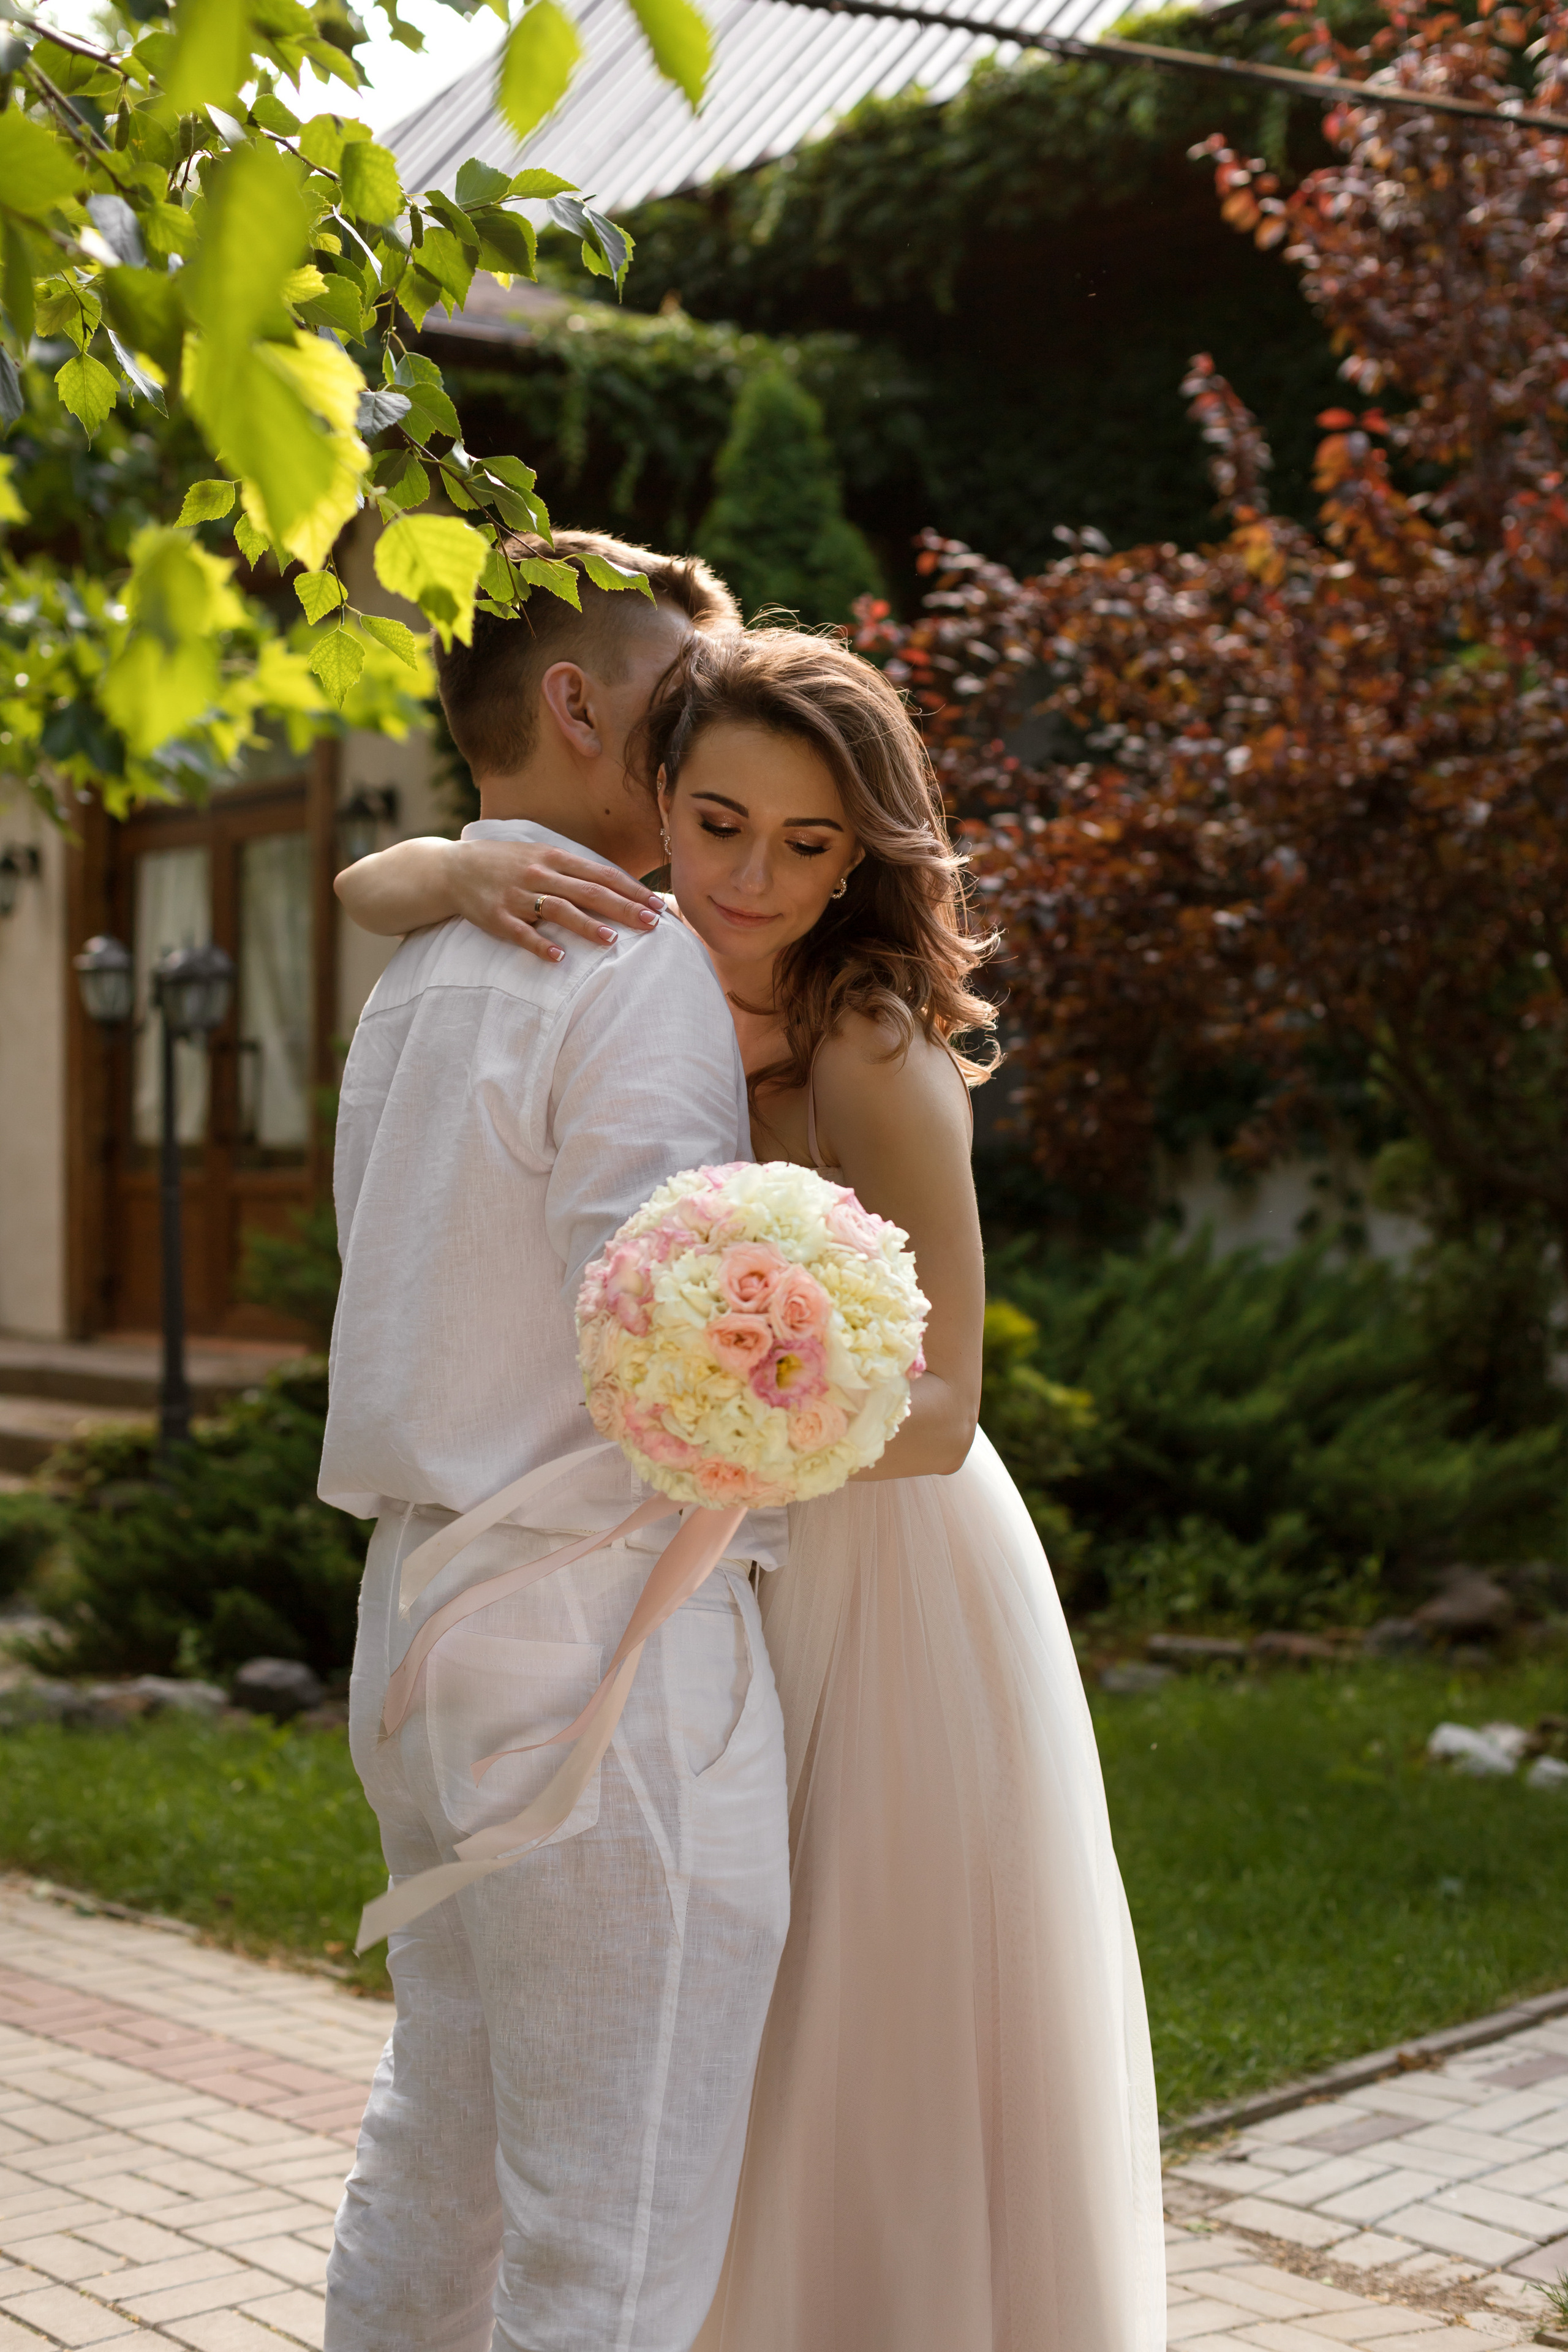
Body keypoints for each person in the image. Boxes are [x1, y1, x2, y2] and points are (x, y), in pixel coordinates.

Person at [337, 624, 1168, 2350]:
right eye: (717, 825)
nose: (752, 879)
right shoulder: (606, 949)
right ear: (658, 791)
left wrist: (748, 1410)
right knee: (669, 2052)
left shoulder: (865, 1040)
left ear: (862, 853)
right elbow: (365, 884)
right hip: (687, 1540)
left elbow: (942, 1411)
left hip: (866, 1548)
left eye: (808, 847)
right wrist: (453, 858)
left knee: (851, 2005)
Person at [317, 532, 793, 2352]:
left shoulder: (426, 963)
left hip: (417, 1611)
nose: (713, 745)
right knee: (613, 2219)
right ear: (580, 706)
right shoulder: (631, 955)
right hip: (596, 1628)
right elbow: (653, 1341)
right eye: (685, 704)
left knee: (441, 2153)